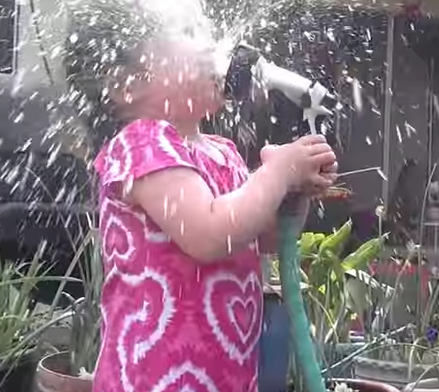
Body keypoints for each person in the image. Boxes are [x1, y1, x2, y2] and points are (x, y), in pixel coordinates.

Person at [65, 0, 338, 390]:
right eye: (190, 34)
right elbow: (211, 234)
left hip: (224, 378)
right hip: (154, 380)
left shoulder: (221, 151)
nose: (212, 45)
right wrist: (277, 173)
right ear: (127, 84)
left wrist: (294, 192)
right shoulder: (142, 146)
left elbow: (263, 237)